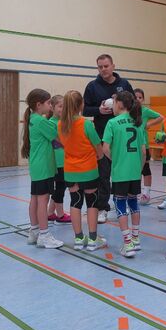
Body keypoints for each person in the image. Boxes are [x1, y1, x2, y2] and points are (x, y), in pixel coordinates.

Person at [83, 54, 134, 223]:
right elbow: (85, 110)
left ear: (113, 66)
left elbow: (134, 105)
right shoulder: (92, 86)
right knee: (103, 174)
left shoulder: (124, 84)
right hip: (102, 137)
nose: (103, 69)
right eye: (100, 67)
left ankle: (123, 203)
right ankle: (102, 208)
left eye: (106, 66)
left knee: (123, 172)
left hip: (123, 137)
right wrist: (98, 110)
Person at [58, 90, 107, 251]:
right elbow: (98, 147)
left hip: (70, 171)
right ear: (81, 105)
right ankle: (92, 239)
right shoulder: (86, 124)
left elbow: (64, 144)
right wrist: (99, 158)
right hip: (88, 170)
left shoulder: (61, 124)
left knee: (75, 202)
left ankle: (78, 239)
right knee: (92, 202)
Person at [102, 91, 146, 257]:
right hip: (135, 172)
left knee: (120, 204)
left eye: (114, 102)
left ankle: (127, 244)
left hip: (120, 172)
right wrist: (139, 168)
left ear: (119, 104)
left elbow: (105, 148)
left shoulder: (112, 123)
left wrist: (116, 160)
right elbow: (143, 151)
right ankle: (136, 239)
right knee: (133, 203)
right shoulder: (138, 122)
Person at [21, 89, 64, 249]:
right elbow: (58, 138)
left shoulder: (33, 118)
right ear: (39, 105)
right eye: (48, 103)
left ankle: (34, 231)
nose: (50, 106)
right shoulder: (40, 121)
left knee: (35, 199)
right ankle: (44, 235)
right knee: (42, 200)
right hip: (44, 166)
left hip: (37, 166)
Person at [134, 88, 164, 205]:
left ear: (143, 99)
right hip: (133, 146)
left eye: (140, 97)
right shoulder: (129, 111)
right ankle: (134, 192)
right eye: (135, 97)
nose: (137, 99)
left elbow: (161, 117)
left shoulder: (145, 111)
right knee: (134, 170)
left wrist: (148, 124)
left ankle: (146, 193)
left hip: (144, 145)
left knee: (145, 169)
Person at [47, 95, 71, 225]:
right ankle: (60, 215)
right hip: (58, 162)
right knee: (60, 188)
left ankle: (50, 213)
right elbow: (55, 143)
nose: (63, 109)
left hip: (65, 160)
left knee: (61, 186)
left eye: (64, 106)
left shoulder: (64, 122)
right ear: (52, 107)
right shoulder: (51, 123)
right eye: (60, 106)